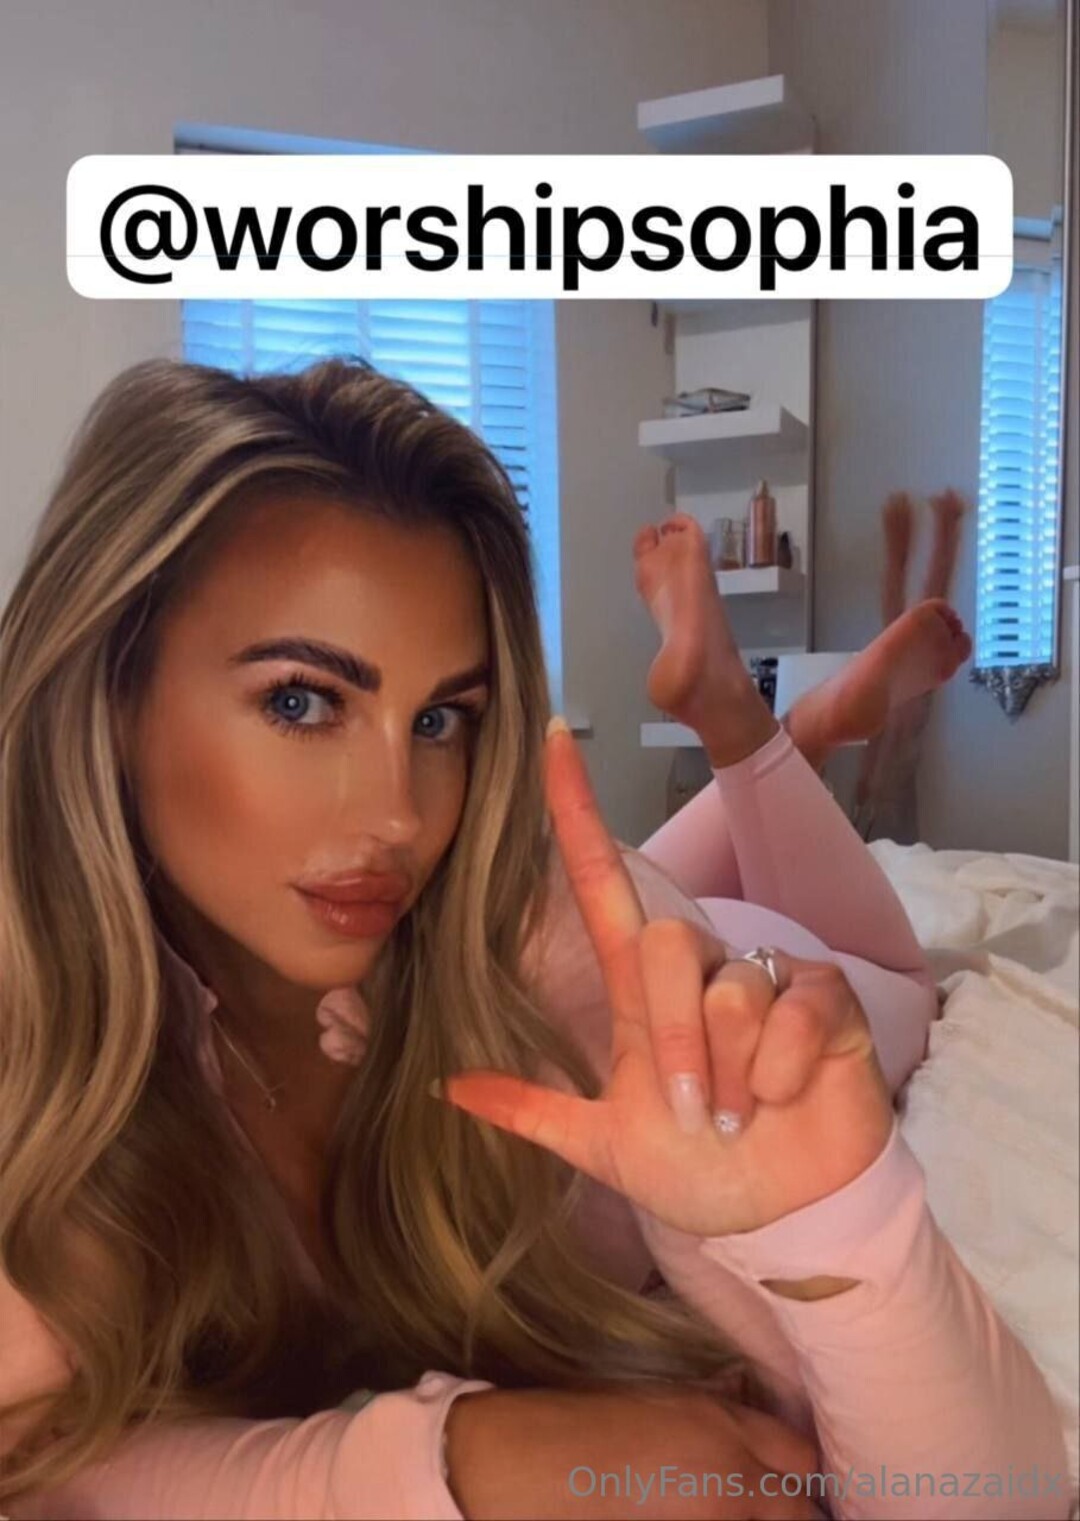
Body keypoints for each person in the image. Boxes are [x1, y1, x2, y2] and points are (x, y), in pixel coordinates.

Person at [0, 358, 1067, 1521]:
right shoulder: (51, 1039)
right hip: (596, 903)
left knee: (899, 972)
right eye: (301, 702)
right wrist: (439, 1459)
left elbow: (990, 1500)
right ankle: (782, 726)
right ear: (109, 691)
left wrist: (852, 1227)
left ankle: (767, 725)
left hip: (704, 953)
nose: (399, 815)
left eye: (441, 719)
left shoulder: (564, 966)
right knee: (617, 878)